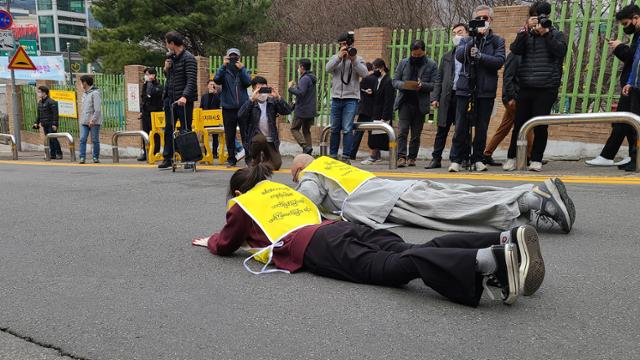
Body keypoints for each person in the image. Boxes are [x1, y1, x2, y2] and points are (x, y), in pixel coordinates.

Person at [193, 164, 547, 306]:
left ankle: (483, 261)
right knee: (410, 248)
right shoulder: (284, 192)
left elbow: (226, 244)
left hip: (318, 245)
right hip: (342, 227)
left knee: (391, 270)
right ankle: (501, 239)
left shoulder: (244, 203)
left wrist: (208, 241)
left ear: (239, 191)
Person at [291, 154, 576, 234]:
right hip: (393, 188)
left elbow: (306, 200)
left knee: (451, 210)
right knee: (458, 194)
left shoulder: (311, 172)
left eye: (295, 175)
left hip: (382, 200)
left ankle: (532, 199)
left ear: (301, 167)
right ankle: (522, 210)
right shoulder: (332, 162)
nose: (297, 179)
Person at [504, 1, 568, 172]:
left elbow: (560, 52)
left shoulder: (556, 34)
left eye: (543, 17)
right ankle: (512, 157)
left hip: (547, 88)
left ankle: (536, 159)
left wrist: (546, 34)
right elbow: (515, 50)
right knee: (519, 124)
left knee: (541, 125)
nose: (540, 20)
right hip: (525, 86)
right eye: (535, 17)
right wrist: (525, 29)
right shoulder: (526, 34)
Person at [449, 5, 506, 173]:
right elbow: (459, 56)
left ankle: (478, 158)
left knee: (481, 127)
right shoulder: (466, 39)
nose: (482, 21)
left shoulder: (497, 41)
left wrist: (481, 56)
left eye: (485, 18)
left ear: (491, 20)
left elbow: (499, 61)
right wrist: (472, 42)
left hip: (485, 90)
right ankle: (457, 159)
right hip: (465, 88)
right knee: (461, 126)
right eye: (478, 18)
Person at [586, 4, 639, 171]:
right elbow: (635, 62)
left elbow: (632, 59)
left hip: (635, 86)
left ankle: (609, 155)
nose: (625, 28)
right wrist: (630, 81)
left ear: (636, 18)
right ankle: (632, 157)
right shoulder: (637, 36)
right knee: (628, 122)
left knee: (625, 121)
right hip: (633, 84)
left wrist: (619, 47)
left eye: (625, 23)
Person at [427, 23, 469, 169]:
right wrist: (434, 97)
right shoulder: (446, 56)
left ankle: (461, 158)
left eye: (460, 32)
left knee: (462, 129)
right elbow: (439, 78)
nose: (457, 35)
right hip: (447, 96)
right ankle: (436, 158)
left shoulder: (470, 54)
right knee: (442, 129)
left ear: (467, 34)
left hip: (463, 95)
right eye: (455, 33)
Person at [482, 53, 534, 166]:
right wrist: (511, 97)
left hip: (517, 98)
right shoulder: (515, 55)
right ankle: (530, 156)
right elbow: (508, 77)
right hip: (514, 99)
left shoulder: (527, 55)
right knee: (528, 126)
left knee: (504, 127)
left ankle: (486, 154)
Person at [393, 40, 439, 168]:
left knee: (416, 134)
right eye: (414, 55)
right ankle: (401, 157)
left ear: (424, 51)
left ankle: (412, 157)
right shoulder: (403, 63)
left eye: (419, 55)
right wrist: (404, 85)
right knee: (402, 131)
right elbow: (394, 81)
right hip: (404, 102)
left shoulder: (431, 64)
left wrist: (422, 85)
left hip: (420, 104)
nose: (416, 57)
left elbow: (435, 84)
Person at [326, 32, 369, 164]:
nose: (343, 47)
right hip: (336, 98)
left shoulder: (358, 58)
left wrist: (353, 60)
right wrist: (339, 58)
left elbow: (365, 73)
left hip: (351, 99)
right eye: (341, 45)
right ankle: (333, 156)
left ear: (350, 43)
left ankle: (346, 157)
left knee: (347, 128)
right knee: (334, 128)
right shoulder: (335, 57)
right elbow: (328, 68)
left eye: (345, 44)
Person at [159, 31, 198, 169]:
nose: (166, 45)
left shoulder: (189, 58)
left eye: (166, 42)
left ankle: (188, 158)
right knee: (168, 128)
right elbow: (169, 78)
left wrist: (185, 96)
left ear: (172, 43)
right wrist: (166, 69)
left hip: (183, 100)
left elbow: (191, 80)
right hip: (170, 100)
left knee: (185, 129)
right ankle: (167, 158)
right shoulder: (171, 58)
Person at [238, 76, 292, 170]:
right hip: (255, 139)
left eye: (264, 88)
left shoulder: (272, 102)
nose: (262, 92)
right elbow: (240, 116)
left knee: (276, 165)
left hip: (270, 140)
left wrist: (278, 97)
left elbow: (287, 111)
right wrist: (251, 100)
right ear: (254, 90)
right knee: (260, 139)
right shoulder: (251, 103)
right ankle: (253, 158)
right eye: (259, 89)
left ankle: (263, 160)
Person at [215, 48, 253, 167]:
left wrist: (242, 69)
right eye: (230, 57)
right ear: (227, 57)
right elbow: (216, 80)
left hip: (243, 108)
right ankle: (231, 159)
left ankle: (249, 159)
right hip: (228, 108)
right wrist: (223, 66)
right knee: (230, 135)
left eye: (235, 57)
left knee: (246, 134)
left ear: (239, 58)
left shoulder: (243, 71)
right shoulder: (224, 71)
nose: (233, 59)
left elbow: (248, 82)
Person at [361, 58, 396, 165]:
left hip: (383, 113)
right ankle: (375, 155)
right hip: (375, 112)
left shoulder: (388, 81)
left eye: (375, 68)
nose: (374, 71)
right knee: (375, 136)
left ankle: (387, 156)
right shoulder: (377, 80)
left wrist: (385, 117)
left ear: (381, 68)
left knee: (384, 136)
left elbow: (388, 100)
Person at [288, 58, 317, 155]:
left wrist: (290, 88)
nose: (298, 69)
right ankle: (309, 152)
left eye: (299, 66)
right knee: (306, 130)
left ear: (302, 67)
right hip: (310, 110)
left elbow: (301, 93)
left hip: (302, 110)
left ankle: (305, 146)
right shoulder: (311, 77)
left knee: (294, 128)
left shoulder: (304, 78)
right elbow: (305, 92)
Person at [349, 62, 375, 160]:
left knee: (358, 133)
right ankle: (375, 154)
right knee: (372, 133)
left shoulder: (366, 79)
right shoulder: (376, 79)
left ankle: (352, 153)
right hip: (373, 110)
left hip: (365, 109)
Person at [139, 68, 163, 162]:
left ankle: (155, 152)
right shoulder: (145, 85)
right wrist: (141, 110)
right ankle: (146, 152)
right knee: (145, 133)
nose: (146, 76)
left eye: (148, 74)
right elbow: (143, 99)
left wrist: (149, 83)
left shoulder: (159, 86)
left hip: (155, 113)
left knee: (155, 134)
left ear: (153, 75)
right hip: (146, 113)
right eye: (145, 74)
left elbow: (152, 94)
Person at [32, 86, 62, 160]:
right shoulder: (40, 103)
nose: (38, 93)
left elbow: (55, 114)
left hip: (51, 124)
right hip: (44, 124)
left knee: (53, 139)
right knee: (48, 139)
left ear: (44, 93)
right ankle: (52, 154)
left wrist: (55, 124)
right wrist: (36, 123)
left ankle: (59, 153)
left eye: (39, 92)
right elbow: (39, 115)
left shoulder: (52, 102)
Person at [79, 75, 102, 164]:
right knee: (82, 138)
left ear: (85, 82)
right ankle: (82, 157)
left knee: (95, 139)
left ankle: (95, 157)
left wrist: (93, 120)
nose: (81, 84)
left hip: (93, 121)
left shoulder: (95, 93)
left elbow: (97, 109)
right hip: (84, 120)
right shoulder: (85, 93)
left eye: (81, 82)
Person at [200, 79, 222, 159]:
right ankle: (206, 152)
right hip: (206, 119)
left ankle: (214, 153)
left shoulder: (217, 95)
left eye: (213, 84)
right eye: (210, 84)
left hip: (214, 119)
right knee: (205, 136)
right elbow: (201, 107)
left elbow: (219, 105)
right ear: (207, 86)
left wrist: (215, 94)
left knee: (215, 137)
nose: (212, 86)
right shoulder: (204, 96)